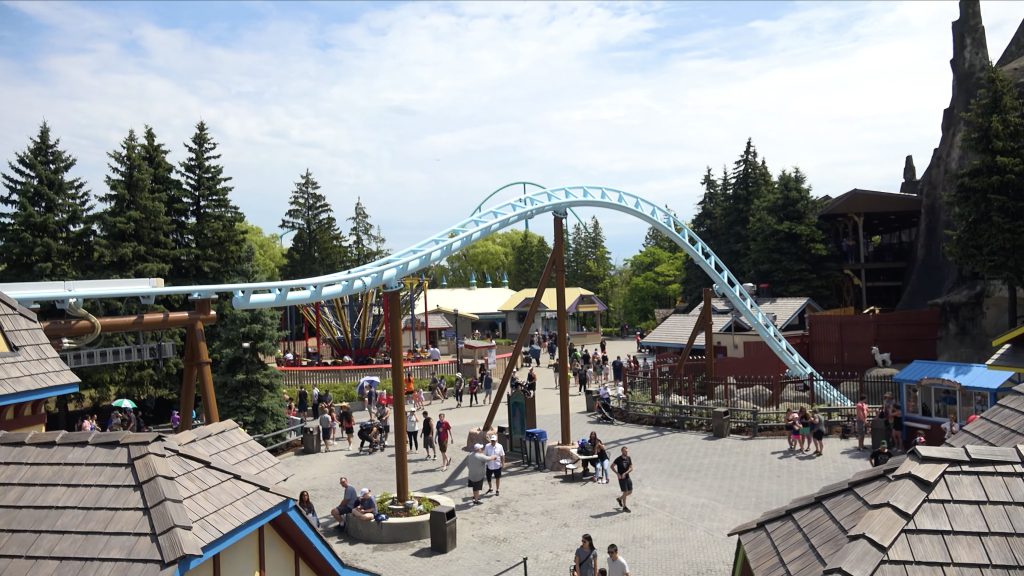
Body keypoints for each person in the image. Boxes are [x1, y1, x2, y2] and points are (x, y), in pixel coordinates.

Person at [612, 446, 634, 513]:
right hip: (621, 478)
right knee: (625, 492)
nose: (626, 452)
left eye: (627, 451)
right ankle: (624, 507)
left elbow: (631, 468)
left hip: (627, 477)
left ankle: (619, 499)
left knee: (630, 491)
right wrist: (617, 473)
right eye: (625, 451)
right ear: (622, 451)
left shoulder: (628, 458)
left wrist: (625, 473)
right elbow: (612, 466)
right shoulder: (618, 459)